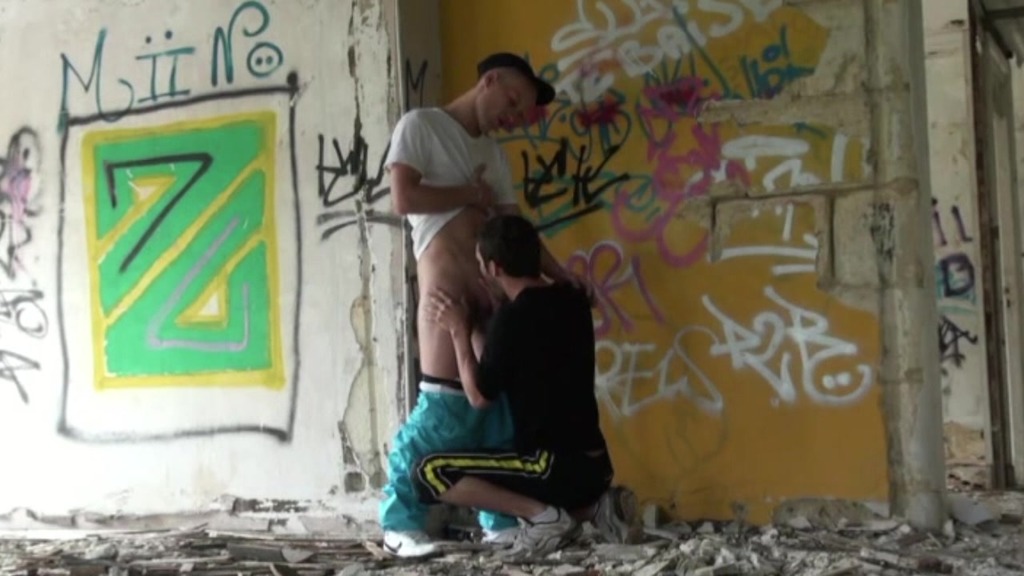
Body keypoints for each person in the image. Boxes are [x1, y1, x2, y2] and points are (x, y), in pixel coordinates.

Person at [379, 52, 589, 558]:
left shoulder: (494, 154)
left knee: (499, 414)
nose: (512, 116)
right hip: (446, 294)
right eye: (512, 101)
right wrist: (470, 194)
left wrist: (562, 275)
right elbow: (402, 198)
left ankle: (500, 521)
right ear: (489, 80)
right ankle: (399, 522)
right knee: (442, 411)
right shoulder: (421, 126)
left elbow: (517, 231)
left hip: (493, 299)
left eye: (521, 111)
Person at [413, 214, 638, 556]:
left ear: (494, 268)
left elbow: (479, 396)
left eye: (481, 264)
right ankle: (596, 510)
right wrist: (482, 326)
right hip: (596, 467)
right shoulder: (572, 299)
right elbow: (501, 363)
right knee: (526, 471)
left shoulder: (513, 319)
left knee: (429, 471)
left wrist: (459, 330)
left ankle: (543, 518)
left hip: (551, 466)